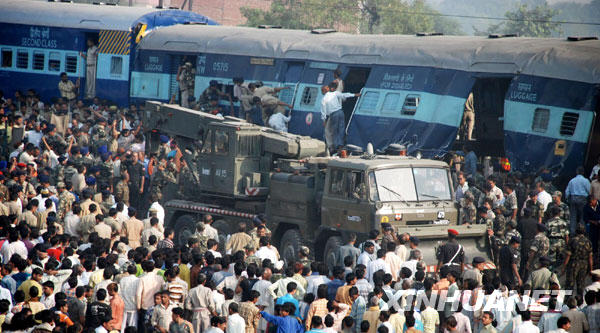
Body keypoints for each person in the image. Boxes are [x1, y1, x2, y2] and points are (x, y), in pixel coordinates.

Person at [320, 82, 360, 153]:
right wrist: (354, 94)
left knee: (334, 131)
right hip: (340, 112)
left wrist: (324, 121)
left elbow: (323, 112)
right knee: (341, 129)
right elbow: (344, 95)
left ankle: (336, 147)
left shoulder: (323, 99)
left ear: (323, 91)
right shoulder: (335, 93)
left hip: (333, 114)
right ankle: (341, 145)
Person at [565, 167, 591, 233]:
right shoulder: (586, 181)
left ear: (577, 172)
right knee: (583, 216)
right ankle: (582, 231)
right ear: (583, 172)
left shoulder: (572, 181)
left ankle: (572, 232)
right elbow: (589, 191)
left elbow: (567, 192)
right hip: (583, 199)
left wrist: (568, 200)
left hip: (573, 199)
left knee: (573, 216)